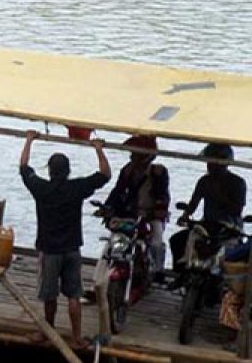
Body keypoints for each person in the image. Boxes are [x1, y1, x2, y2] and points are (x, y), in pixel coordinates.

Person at [19, 131, 111, 350]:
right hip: (72, 249)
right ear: (68, 171)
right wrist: (98, 149)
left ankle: (48, 332)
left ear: (49, 171)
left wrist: (29, 139)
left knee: (49, 295)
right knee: (73, 295)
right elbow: (105, 174)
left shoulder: (41, 188)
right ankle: (77, 337)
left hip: (50, 250)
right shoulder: (76, 188)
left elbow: (23, 167)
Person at [169, 143, 247, 273]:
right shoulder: (204, 181)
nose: (210, 166)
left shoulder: (237, 183)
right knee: (177, 240)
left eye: (214, 163)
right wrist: (185, 215)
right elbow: (194, 203)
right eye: (209, 163)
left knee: (228, 254)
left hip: (229, 228)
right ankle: (180, 274)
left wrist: (220, 195)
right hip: (207, 226)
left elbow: (237, 209)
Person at [101, 135, 170, 280]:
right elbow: (117, 191)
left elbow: (163, 195)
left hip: (150, 215)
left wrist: (159, 210)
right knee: (111, 242)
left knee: (156, 240)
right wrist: (107, 207)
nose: (132, 157)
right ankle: (101, 277)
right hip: (130, 215)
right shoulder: (127, 171)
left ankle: (158, 270)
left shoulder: (158, 172)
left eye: (136, 154)